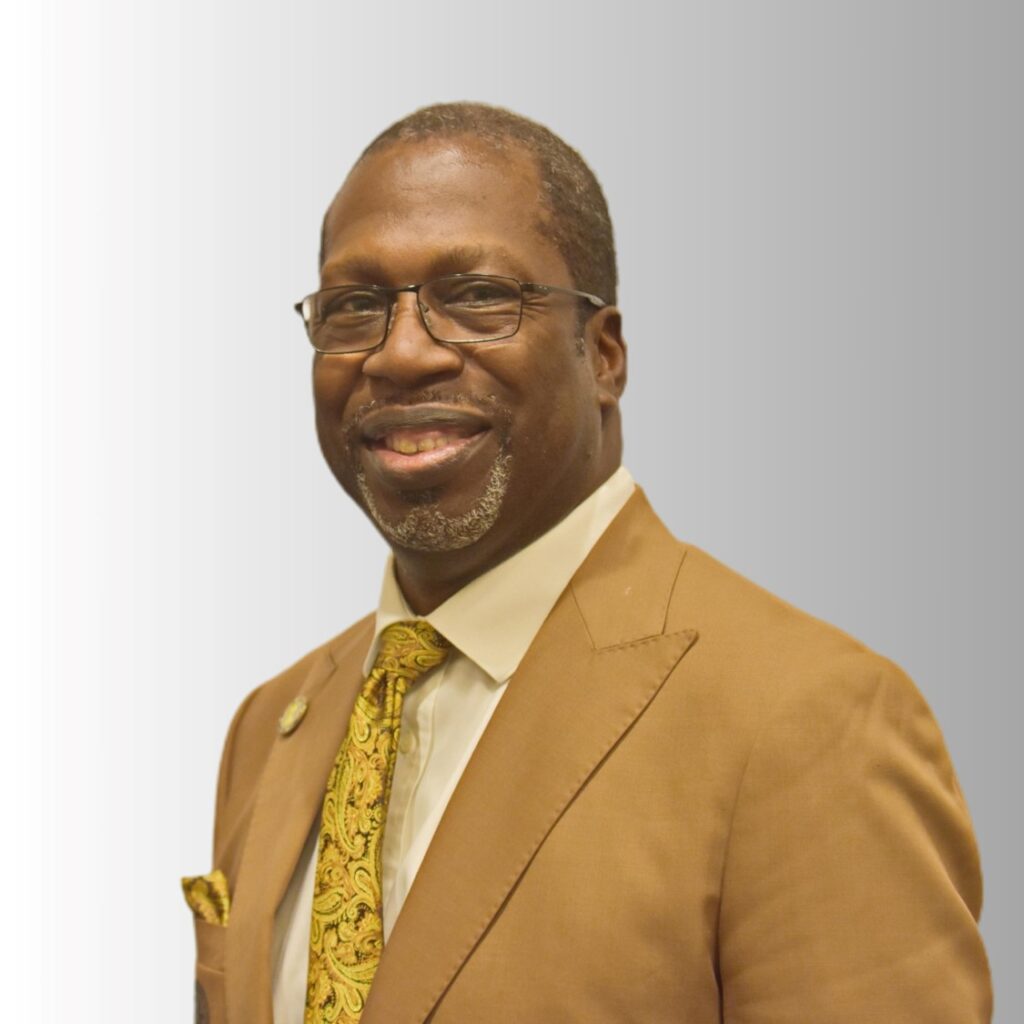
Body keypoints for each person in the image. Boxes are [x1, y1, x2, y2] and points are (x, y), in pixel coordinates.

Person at [184, 102, 992, 1024]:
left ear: (604, 355)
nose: (401, 353)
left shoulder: (809, 723)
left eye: (479, 295)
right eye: (354, 306)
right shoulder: (271, 726)